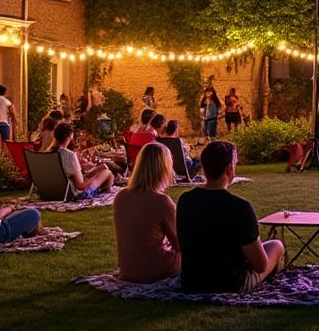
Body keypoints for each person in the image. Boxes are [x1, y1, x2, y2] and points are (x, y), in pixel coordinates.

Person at [177, 141, 285, 293]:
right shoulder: (240, 207)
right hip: (229, 284)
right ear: (229, 169)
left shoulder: (185, 200)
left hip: (191, 282)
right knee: (276, 246)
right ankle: (269, 288)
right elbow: (260, 266)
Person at [114, 142, 181, 282]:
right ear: (164, 167)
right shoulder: (161, 201)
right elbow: (181, 245)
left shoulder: (121, 196)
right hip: (155, 271)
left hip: (128, 271)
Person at [48, 121, 114, 198]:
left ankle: (104, 190)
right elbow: (80, 185)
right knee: (107, 172)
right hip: (71, 193)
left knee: (103, 169)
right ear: (69, 136)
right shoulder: (70, 155)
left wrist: (80, 167)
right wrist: (96, 175)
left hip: (51, 191)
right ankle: (100, 192)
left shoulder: (48, 154)